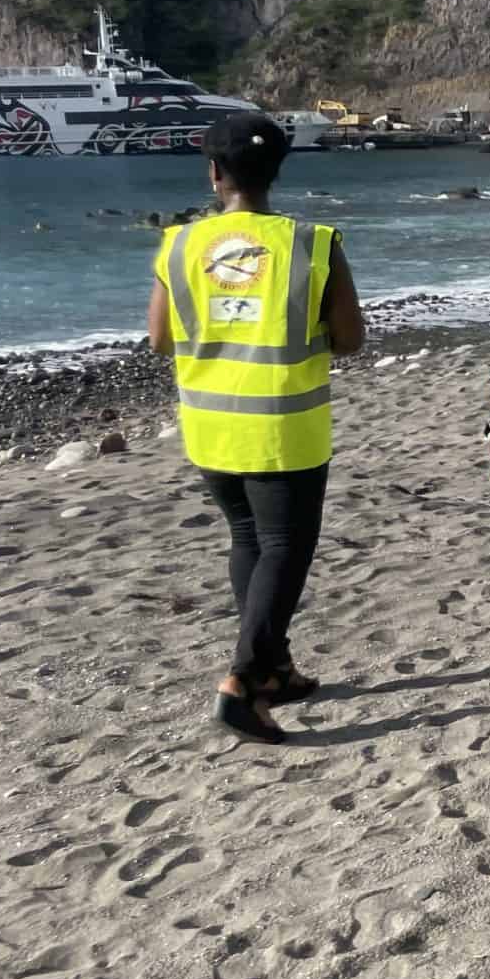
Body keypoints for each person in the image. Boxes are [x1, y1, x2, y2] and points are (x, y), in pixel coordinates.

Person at [148, 112, 365, 743]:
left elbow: (161, 338)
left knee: (249, 539)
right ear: (277, 172)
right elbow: (350, 340)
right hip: (284, 424)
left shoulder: (179, 244)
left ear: (214, 174)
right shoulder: (312, 242)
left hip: (210, 424)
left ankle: (275, 667)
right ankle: (243, 681)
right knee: (284, 547)